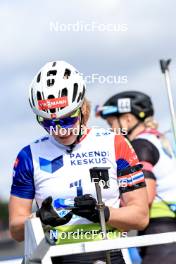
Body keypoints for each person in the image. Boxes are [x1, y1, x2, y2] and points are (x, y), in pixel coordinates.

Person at [9, 62, 149, 264]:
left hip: (107, 254)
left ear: (82, 109)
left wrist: (102, 212)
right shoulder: (28, 156)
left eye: (66, 120)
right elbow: (15, 229)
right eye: (47, 122)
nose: (59, 130)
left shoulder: (115, 143)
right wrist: (39, 218)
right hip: (54, 256)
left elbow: (141, 216)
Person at [96, 91, 176, 264]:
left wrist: (108, 212)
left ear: (127, 120)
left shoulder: (139, 146)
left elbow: (145, 196)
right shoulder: (160, 139)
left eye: (111, 123)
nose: (111, 130)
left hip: (160, 233)